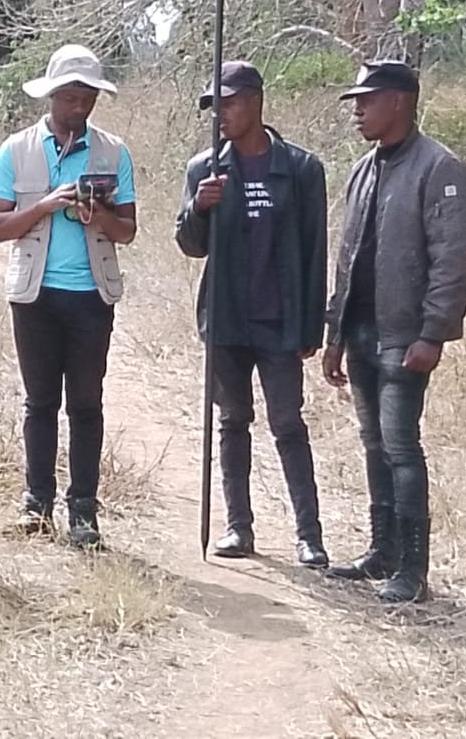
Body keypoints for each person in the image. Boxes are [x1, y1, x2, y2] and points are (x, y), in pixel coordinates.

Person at [322, 61, 466, 602]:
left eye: (368, 99)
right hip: (361, 331)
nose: (358, 110)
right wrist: (334, 331)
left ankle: (413, 571)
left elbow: (451, 262)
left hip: (404, 335)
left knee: (402, 447)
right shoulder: (364, 169)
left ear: (400, 102)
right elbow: (348, 256)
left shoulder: (440, 168)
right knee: (373, 443)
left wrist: (433, 333)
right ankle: (382, 552)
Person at [175, 61, 329, 568]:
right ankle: (239, 527)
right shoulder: (205, 169)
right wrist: (200, 207)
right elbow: (190, 246)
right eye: (213, 106)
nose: (220, 115)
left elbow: (314, 252)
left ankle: (309, 535)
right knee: (232, 420)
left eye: (230, 103)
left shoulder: (302, 169)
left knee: (288, 423)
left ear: (257, 102)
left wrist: (312, 326)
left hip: (280, 319)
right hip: (226, 318)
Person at [0, 44, 137, 549]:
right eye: (70, 97)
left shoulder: (113, 152)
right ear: (51, 96)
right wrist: (47, 206)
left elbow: (128, 230)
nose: (79, 106)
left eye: (87, 97)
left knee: (87, 404)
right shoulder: (17, 150)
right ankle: (37, 503)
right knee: (40, 401)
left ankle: (84, 511)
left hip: (92, 294)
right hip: (35, 295)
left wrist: (99, 216)